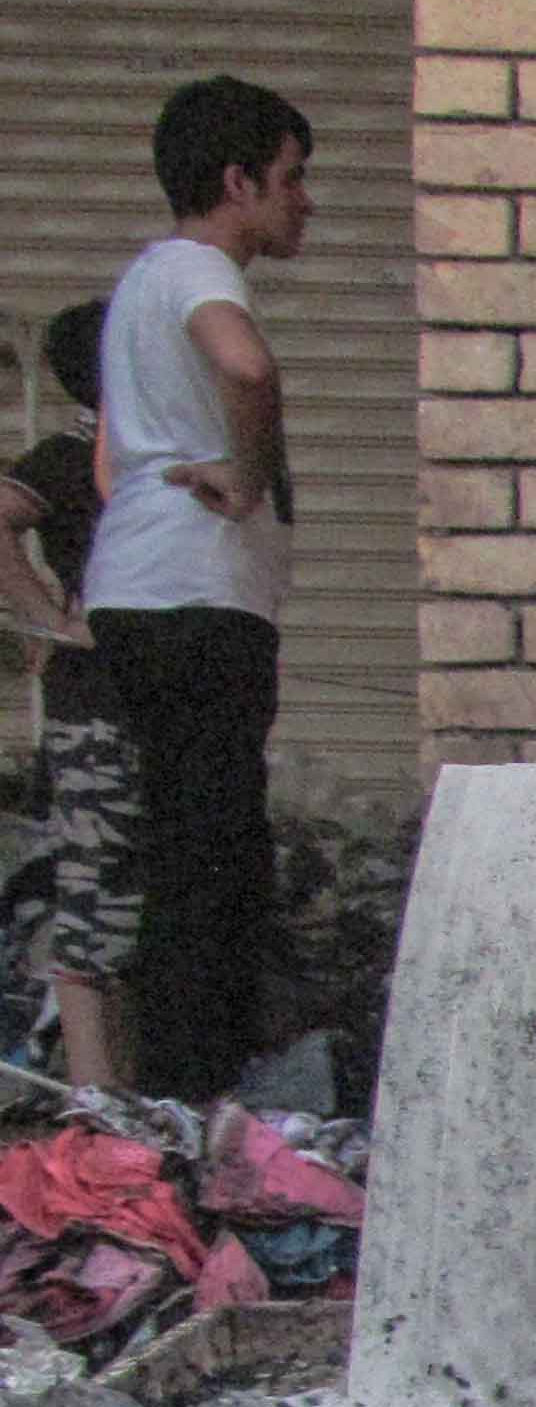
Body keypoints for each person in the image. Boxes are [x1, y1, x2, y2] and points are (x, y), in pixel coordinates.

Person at [83, 77, 312, 1103]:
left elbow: (106, 467)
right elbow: (249, 370)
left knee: (187, 847)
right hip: (197, 601)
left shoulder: (143, 283)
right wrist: (249, 477)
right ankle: (193, 1095)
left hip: (143, 587)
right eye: (292, 179)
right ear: (237, 180)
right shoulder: (194, 269)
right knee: (215, 862)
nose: (304, 203)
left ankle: (177, 1089)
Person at [0, 304, 130, 1092]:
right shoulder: (72, 456)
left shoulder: (151, 455)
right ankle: (94, 1093)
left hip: (155, 699)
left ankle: (130, 1090)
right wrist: (43, 624)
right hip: (95, 705)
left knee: (136, 891)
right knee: (95, 882)